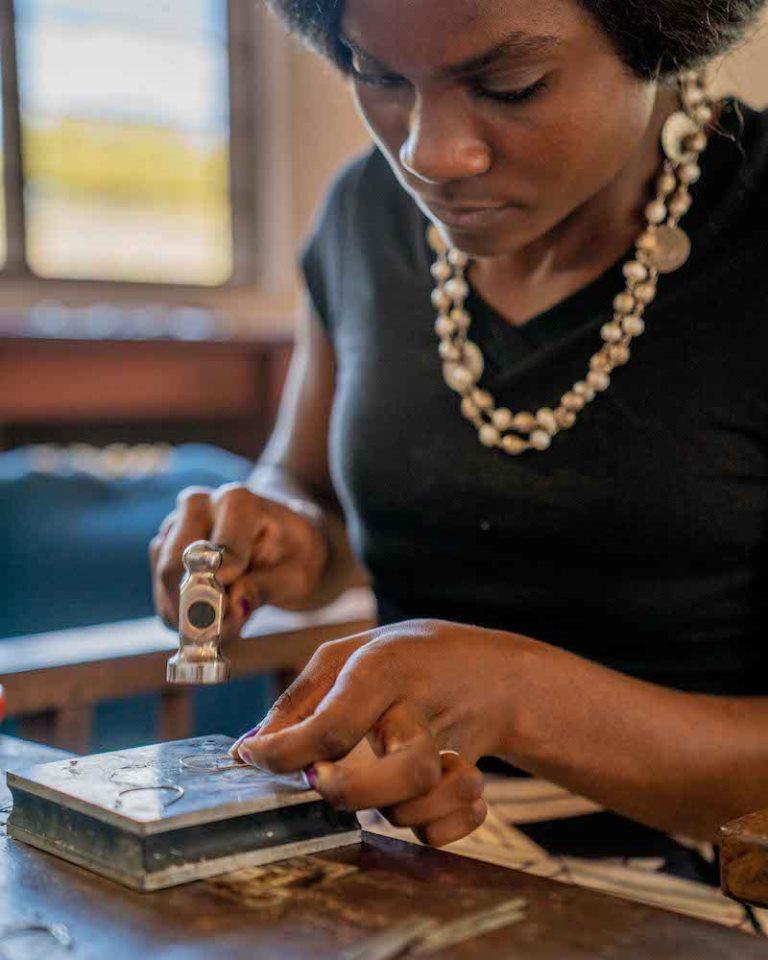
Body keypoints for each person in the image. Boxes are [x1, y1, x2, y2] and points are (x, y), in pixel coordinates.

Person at [151, 0, 768, 918]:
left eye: (509, 85)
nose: (429, 154)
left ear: (663, 35)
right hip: (401, 852)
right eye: (380, 75)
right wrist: (276, 530)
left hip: (709, 882)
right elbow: (311, 497)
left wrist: (514, 696)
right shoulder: (365, 216)